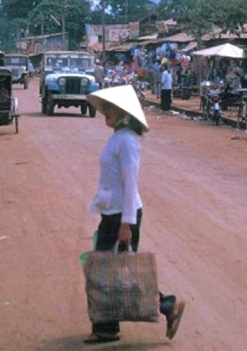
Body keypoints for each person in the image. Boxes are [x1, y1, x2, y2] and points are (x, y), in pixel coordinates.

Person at [84, 85, 185, 344]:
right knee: (110, 270)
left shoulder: (127, 140)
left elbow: (131, 185)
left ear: (124, 112)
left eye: (110, 107)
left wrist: (127, 224)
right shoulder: (118, 137)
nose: (104, 111)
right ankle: (107, 327)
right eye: (104, 107)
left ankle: (166, 306)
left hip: (122, 215)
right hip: (112, 214)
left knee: (118, 271)